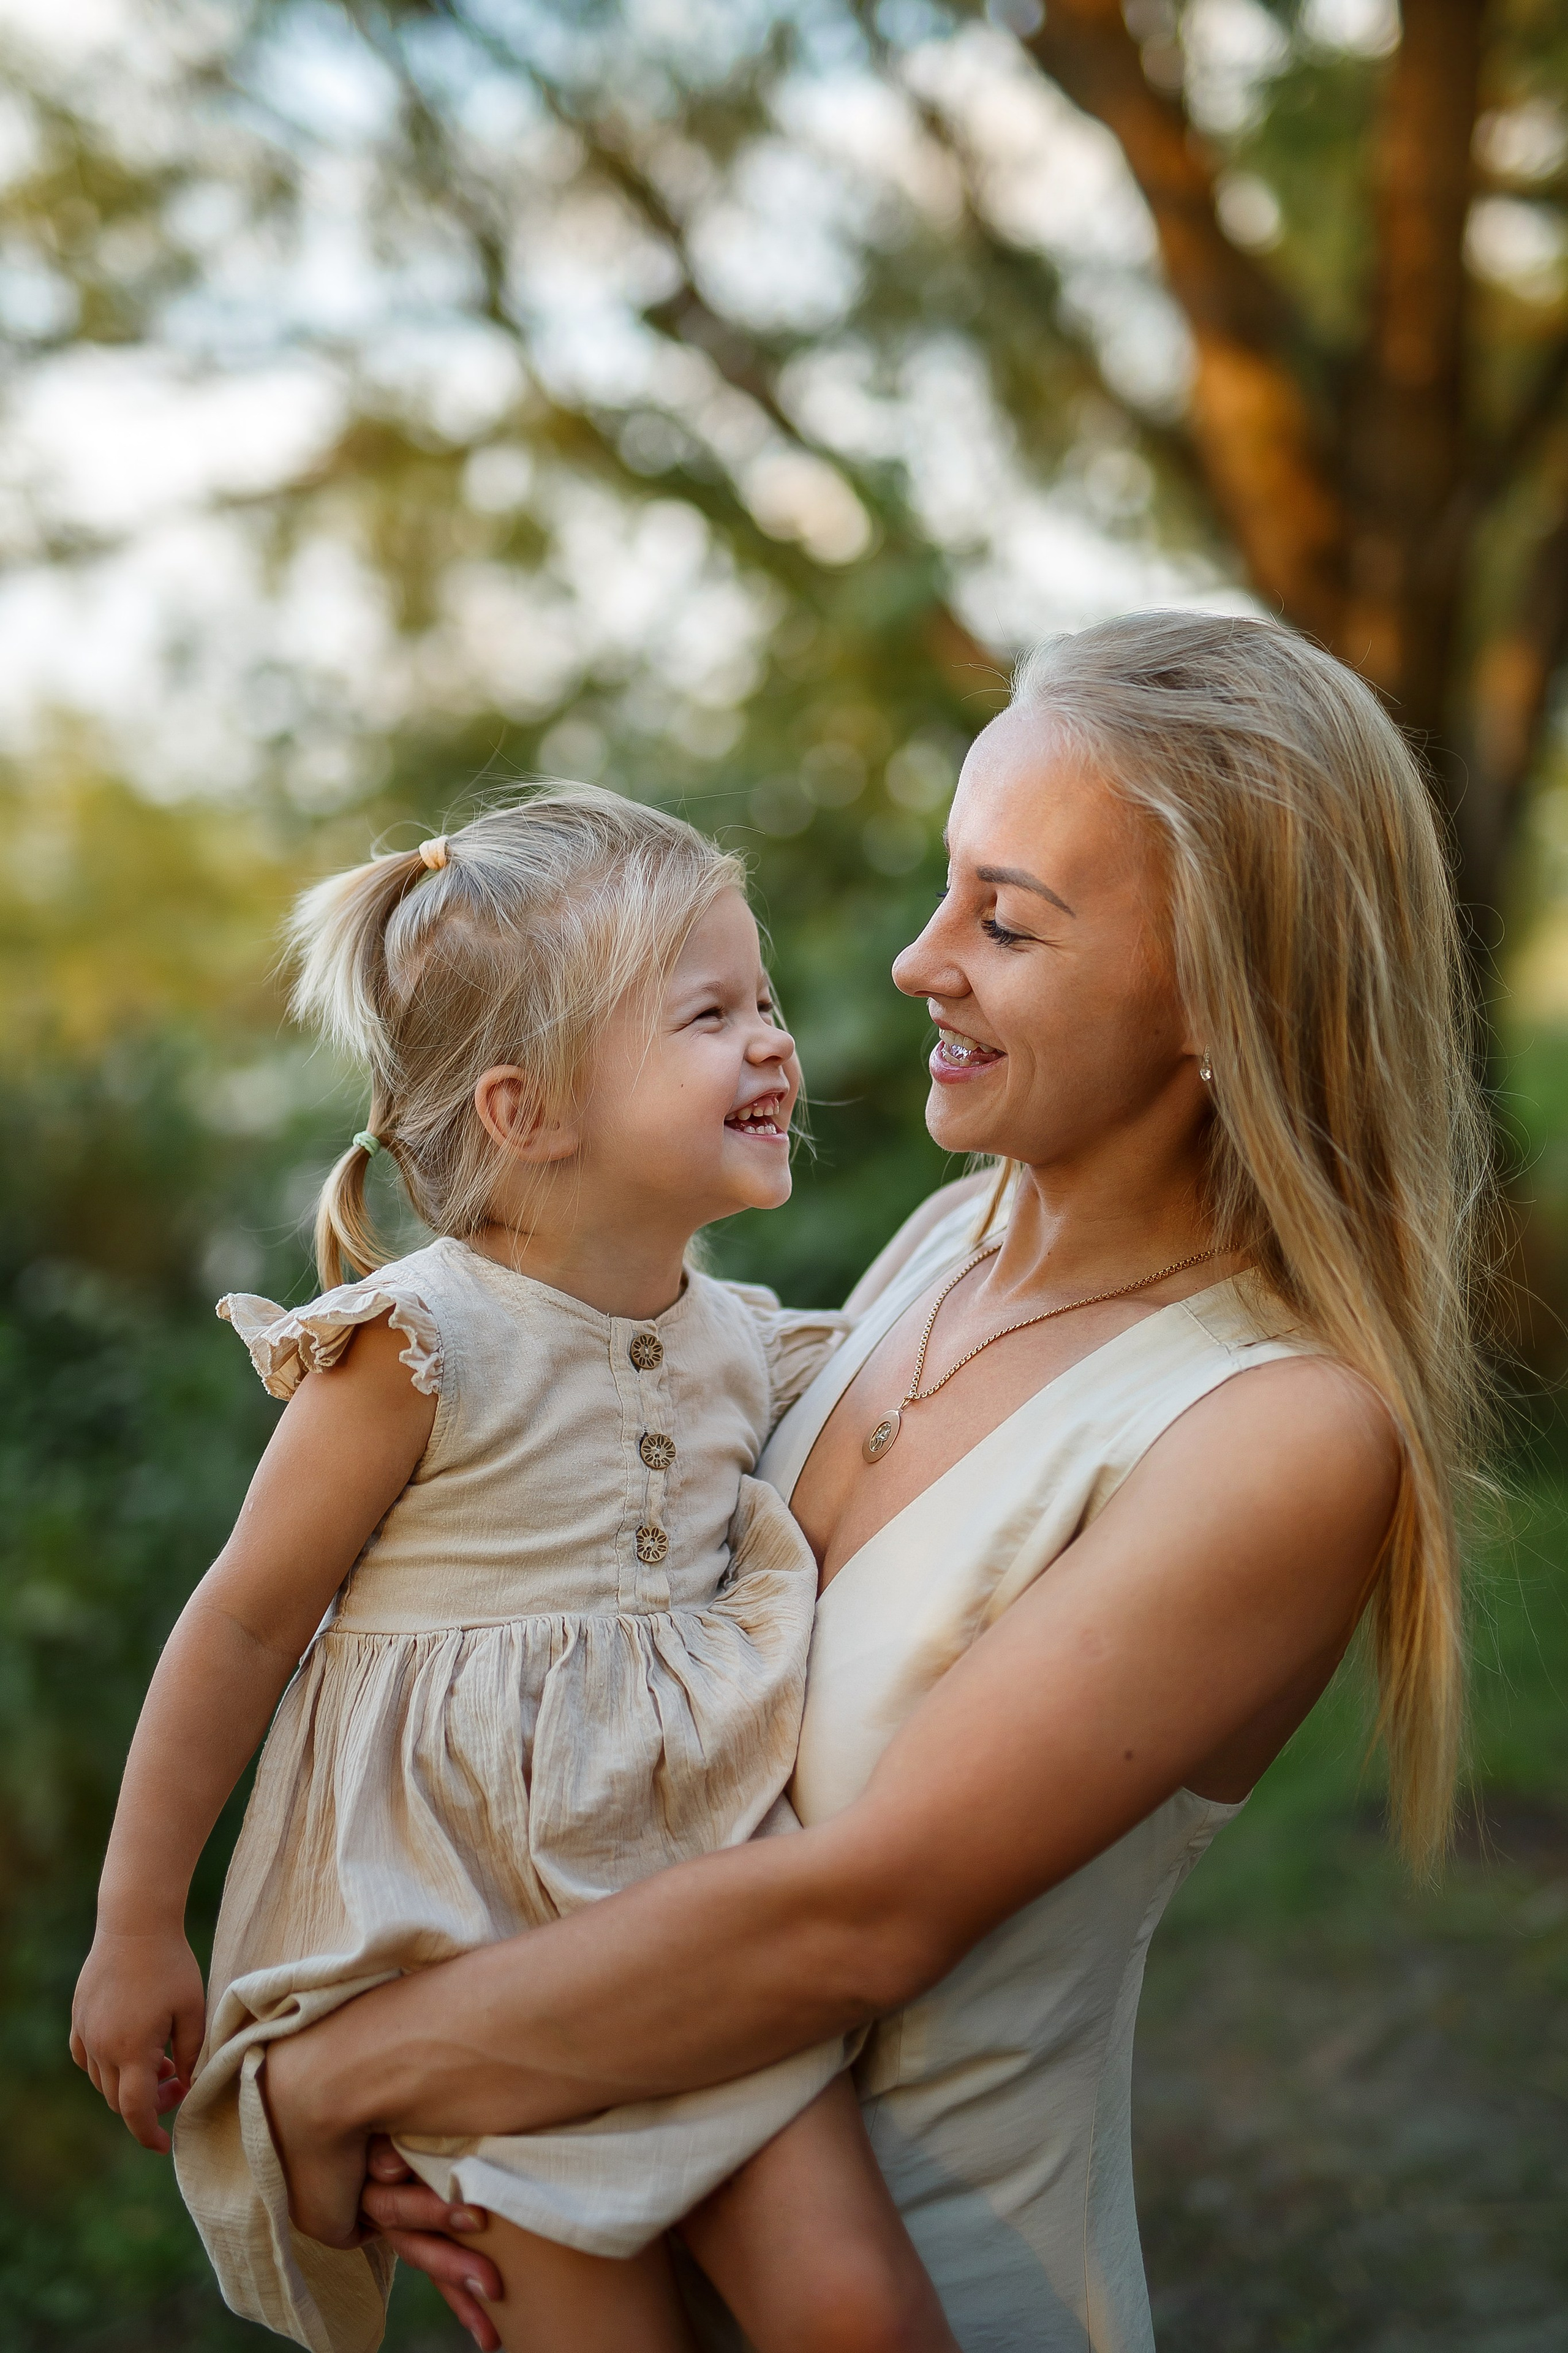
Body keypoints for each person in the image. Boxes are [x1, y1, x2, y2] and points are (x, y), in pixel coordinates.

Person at [256, 613, 1493, 2353]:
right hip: (588, 2221)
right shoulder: (938, 1248)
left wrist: (331, 2073)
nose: (918, 963)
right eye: (944, 886)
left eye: (1007, 919)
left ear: (1225, 988)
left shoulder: (1276, 1430)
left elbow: (857, 1918)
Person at [69, 787, 960, 2353]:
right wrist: (141, 1919)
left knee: (856, 2313)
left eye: (759, 1001)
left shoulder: (742, 1339)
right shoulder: (420, 1344)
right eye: (708, 1013)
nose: (772, 1040)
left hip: (687, 1911)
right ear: (524, 1110)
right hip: (454, 1936)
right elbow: (245, 1622)